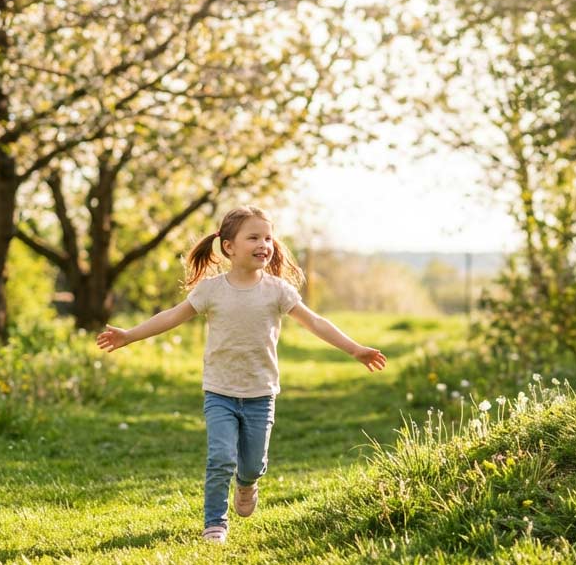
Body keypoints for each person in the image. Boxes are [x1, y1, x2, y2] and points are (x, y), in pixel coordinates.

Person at [96, 206, 386, 543]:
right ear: (229, 246)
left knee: (251, 465)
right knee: (220, 458)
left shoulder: (278, 291)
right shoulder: (211, 291)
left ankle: (247, 485)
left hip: (260, 394)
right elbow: (171, 316)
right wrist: (129, 335)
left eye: (268, 237)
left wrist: (355, 349)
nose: (264, 244)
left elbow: (316, 322)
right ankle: (215, 523)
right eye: (254, 237)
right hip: (219, 392)